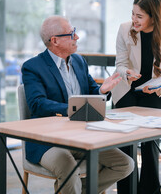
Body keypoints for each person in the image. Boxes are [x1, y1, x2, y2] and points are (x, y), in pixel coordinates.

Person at [21, 16, 135, 194]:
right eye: (72, 33)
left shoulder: (79, 62)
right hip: (48, 141)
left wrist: (102, 91)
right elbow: (37, 104)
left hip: (82, 137)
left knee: (125, 164)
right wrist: (73, 109)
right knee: (68, 167)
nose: (77, 37)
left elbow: (92, 92)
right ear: (55, 41)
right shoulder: (32, 67)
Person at [112, 0, 161, 194]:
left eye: (139, 16)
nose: (134, 19)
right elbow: (120, 63)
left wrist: (158, 84)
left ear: (153, 16)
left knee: (150, 144)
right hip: (126, 90)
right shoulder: (125, 29)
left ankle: (150, 191)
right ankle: (126, 191)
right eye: (133, 14)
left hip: (153, 92)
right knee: (125, 144)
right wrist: (126, 72)